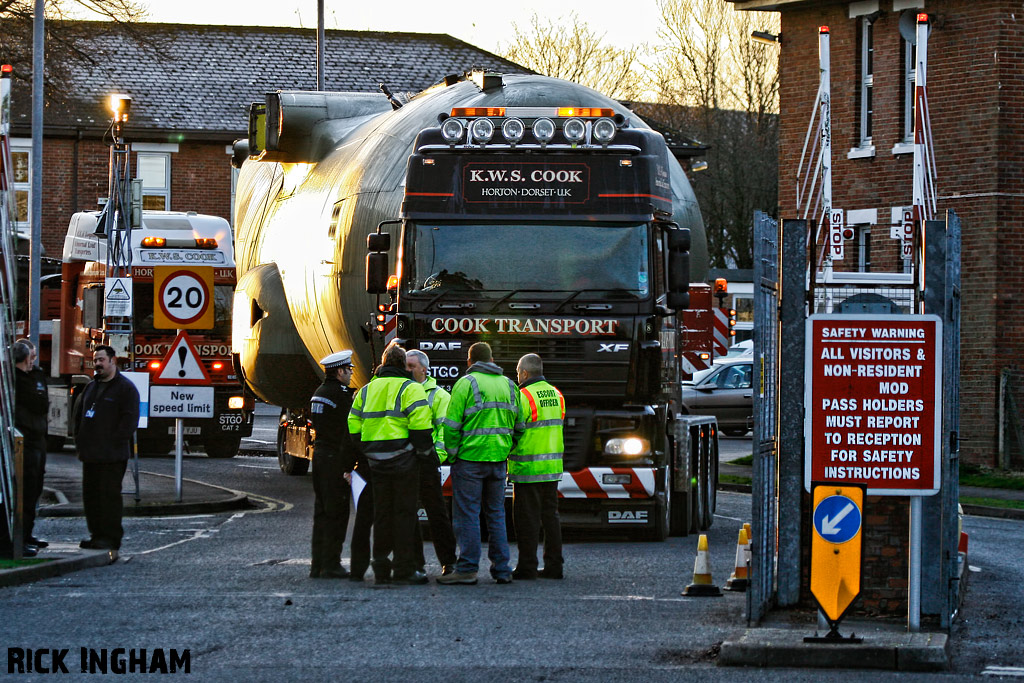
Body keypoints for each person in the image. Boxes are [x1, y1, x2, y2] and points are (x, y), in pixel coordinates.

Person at [438, 342, 525, 585]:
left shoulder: (466, 384)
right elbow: (519, 426)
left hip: (469, 460)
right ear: (492, 359)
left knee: (468, 514)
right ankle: (502, 570)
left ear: (470, 361)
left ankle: (467, 569)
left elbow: (451, 425)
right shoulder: (509, 385)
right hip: (498, 460)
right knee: (496, 514)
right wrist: (506, 448)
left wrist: (453, 455)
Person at [348, 344, 433, 585]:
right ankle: (404, 568)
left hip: (376, 463)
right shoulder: (411, 389)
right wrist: (422, 453)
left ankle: (380, 565)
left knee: (382, 515)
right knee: (404, 515)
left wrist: (366, 450)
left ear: (385, 363)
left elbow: (353, 424)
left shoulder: (366, 390)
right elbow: (421, 427)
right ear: (401, 364)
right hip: (404, 462)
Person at [73, 345, 140, 551]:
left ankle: (110, 537)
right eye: (95, 360)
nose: (97, 364)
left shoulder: (125, 389)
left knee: (108, 497)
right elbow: (79, 416)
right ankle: (96, 535)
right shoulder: (91, 387)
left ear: (113, 361)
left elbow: (129, 421)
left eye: (101, 360)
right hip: (90, 455)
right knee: (91, 497)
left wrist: (114, 441)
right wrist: (80, 441)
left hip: (111, 456)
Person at [510, 354, 565, 580]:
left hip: (528, 467)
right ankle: (554, 566)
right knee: (550, 517)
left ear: (524, 373)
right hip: (551, 467)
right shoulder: (557, 394)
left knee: (527, 520)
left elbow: (516, 429)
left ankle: (527, 566)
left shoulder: (523, 396)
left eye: (517, 373)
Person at [405, 349, 457, 576]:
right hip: (406, 464)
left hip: (426, 465)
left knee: (438, 515)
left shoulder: (439, 396)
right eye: (405, 366)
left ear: (424, 370)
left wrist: (435, 457)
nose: (407, 370)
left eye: (411, 367)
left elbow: (445, 434)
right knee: (409, 515)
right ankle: (417, 564)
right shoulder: (402, 391)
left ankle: (449, 562)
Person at [308, 350, 356, 579]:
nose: (350, 374)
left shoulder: (319, 393)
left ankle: (317, 563)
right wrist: (350, 464)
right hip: (335, 457)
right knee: (337, 511)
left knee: (322, 511)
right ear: (339, 371)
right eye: (349, 370)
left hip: (319, 455)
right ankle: (331, 563)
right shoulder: (341, 395)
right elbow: (348, 431)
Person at [13, 340, 49, 557]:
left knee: (35, 488)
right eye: (32, 357)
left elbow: (43, 403)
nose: (34, 361)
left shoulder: (36, 375)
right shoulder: (16, 380)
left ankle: (28, 534)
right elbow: (37, 403)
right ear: (25, 358)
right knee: (24, 489)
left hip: (37, 437)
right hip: (24, 439)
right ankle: (21, 536)